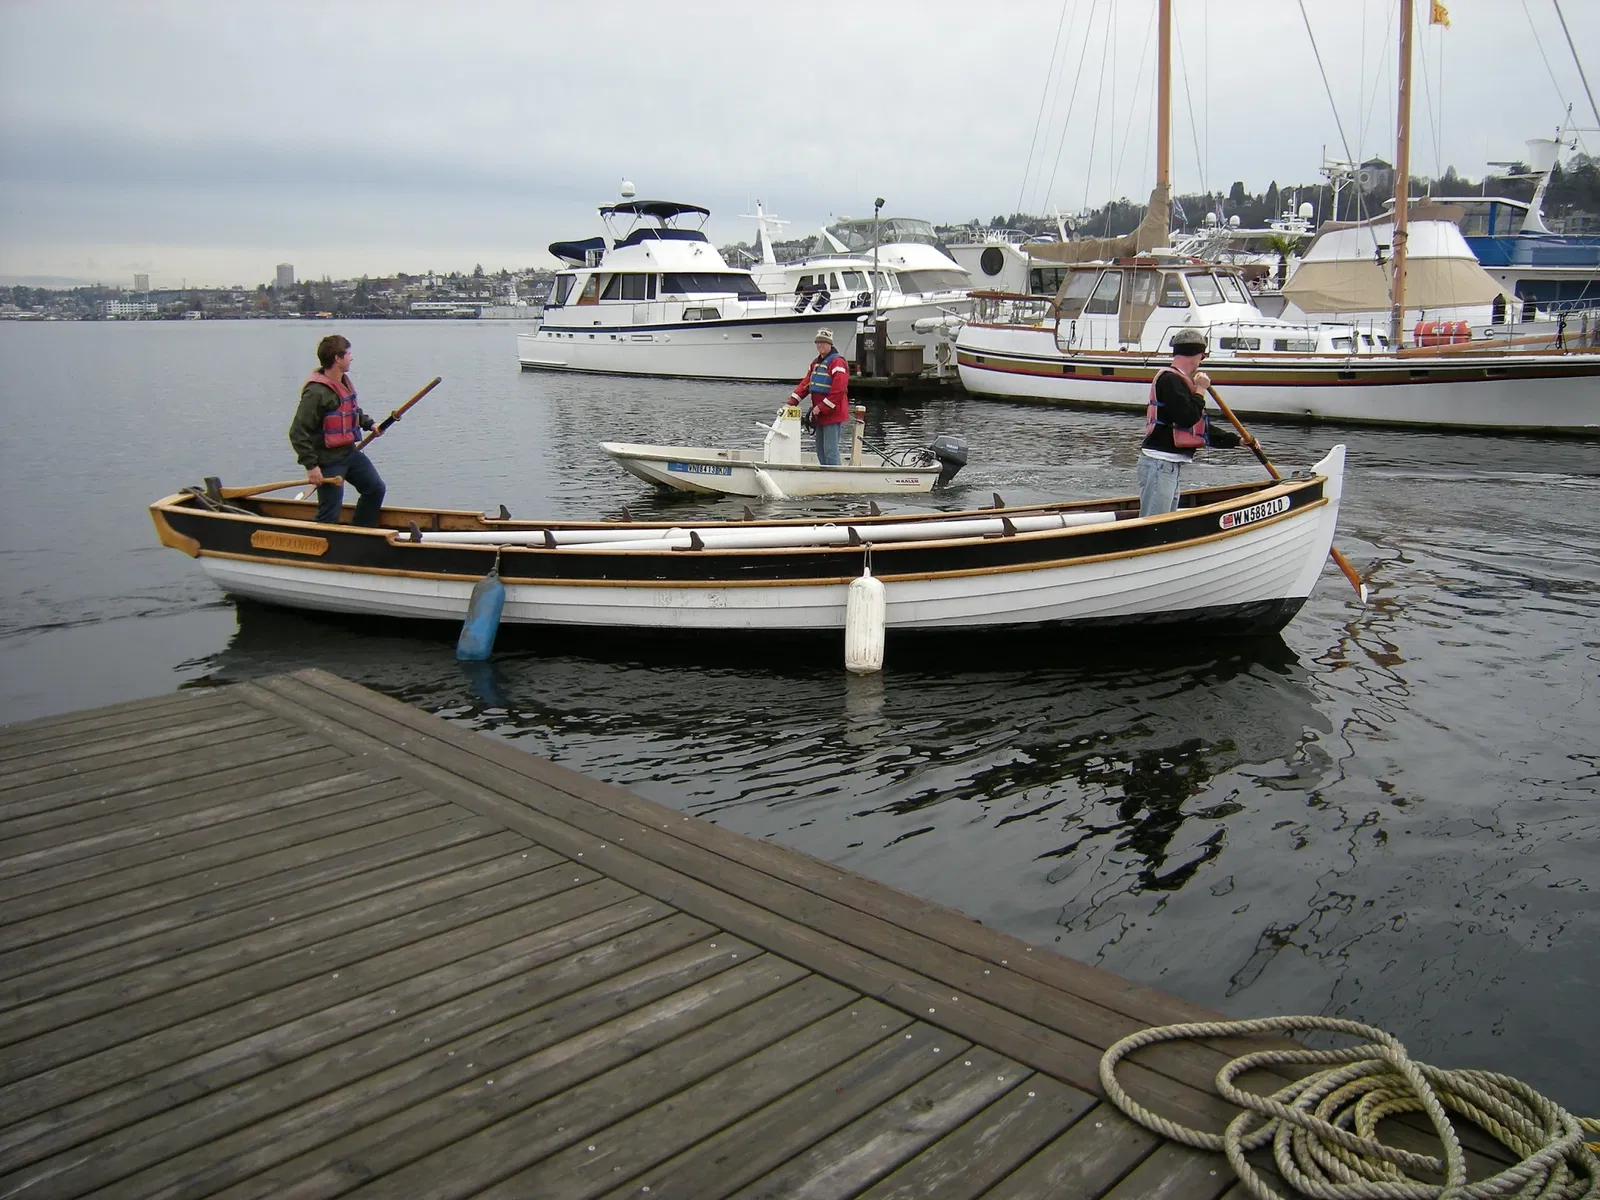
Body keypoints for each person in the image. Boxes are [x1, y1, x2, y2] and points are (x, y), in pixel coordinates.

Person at [1137, 328, 1240, 518]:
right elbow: (1187, 417)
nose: (1200, 362)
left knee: (1165, 519)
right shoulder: (1169, 380)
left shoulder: (1180, 381)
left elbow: (1197, 427)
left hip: (1169, 464)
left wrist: (1238, 441)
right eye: (1201, 356)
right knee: (1155, 522)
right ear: (1196, 355)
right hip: (1159, 462)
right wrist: (1201, 389)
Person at [289, 334, 387, 526]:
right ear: (337, 358)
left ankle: (361, 533)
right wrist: (311, 466)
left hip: (350, 453)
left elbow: (350, 411)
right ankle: (322, 548)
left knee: (375, 489)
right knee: (329, 513)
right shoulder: (316, 393)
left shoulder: (343, 382)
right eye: (348, 354)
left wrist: (370, 424)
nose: (351, 358)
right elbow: (297, 432)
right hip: (328, 461)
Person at [789, 328, 851, 466]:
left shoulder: (837, 362)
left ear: (830, 344)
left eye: (823, 342)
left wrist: (822, 407)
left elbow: (839, 390)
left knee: (830, 450)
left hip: (832, 413)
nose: (819, 345)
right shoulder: (815, 363)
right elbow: (806, 384)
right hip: (820, 415)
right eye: (817, 342)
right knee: (820, 450)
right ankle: (824, 474)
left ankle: (835, 477)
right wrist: (791, 403)